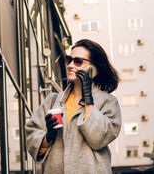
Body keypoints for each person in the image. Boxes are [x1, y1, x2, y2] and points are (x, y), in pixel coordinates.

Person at [25, 39, 121, 173]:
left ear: (94, 69)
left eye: (78, 61)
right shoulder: (52, 101)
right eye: (69, 59)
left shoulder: (108, 102)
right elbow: (30, 137)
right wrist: (48, 137)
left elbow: (99, 139)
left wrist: (88, 100)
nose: (70, 65)